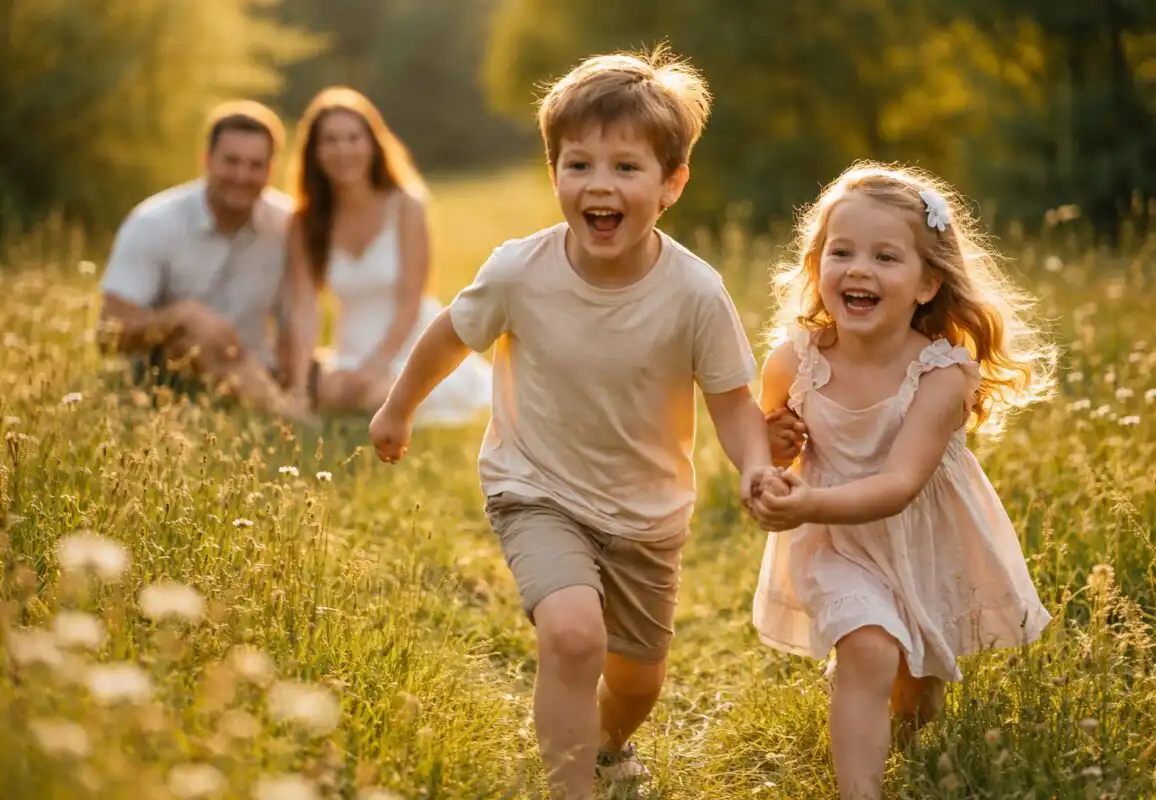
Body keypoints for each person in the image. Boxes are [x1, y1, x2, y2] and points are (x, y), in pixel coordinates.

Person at [369, 48, 781, 800]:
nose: (599, 185)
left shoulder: (694, 292)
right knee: (571, 635)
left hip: (647, 517)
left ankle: (603, 740)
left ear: (671, 184)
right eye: (578, 164)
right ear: (553, 171)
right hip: (537, 488)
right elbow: (448, 335)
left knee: (636, 684)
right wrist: (399, 407)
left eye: (627, 167)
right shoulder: (520, 271)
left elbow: (732, 404)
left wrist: (756, 465)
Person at [748, 162, 1057, 800]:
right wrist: (774, 457)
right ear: (817, 267)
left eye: (886, 256)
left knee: (917, 685)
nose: (859, 269)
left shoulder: (943, 375)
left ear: (927, 283)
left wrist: (808, 500)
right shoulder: (794, 361)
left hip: (921, 539)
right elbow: (766, 441)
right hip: (835, 542)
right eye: (842, 252)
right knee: (869, 649)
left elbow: (899, 483)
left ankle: (907, 746)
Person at [280, 86, 491, 423]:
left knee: (381, 397)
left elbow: (412, 300)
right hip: (350, 353)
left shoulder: (406, 204)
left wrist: (377, 365)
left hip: (409, 345)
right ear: (314, 152)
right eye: (330, 141)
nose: (343, 150)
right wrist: (301, 385)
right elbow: (304, 308)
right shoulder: (304, 222)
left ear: (372, 144)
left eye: (353, 138)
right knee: (333, 393)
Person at [96, 100, 310, 420]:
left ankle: (287, 404)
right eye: (231, 161)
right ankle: (291, 420)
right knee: (192, 339)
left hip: (260, 368)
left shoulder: (288, 226)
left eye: (256, 165)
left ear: (271, 170)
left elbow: (298, 313)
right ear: (206, 159)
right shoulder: (153, 222)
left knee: (351, 383)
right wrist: (181, 316)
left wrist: (298, 382)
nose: (242, 175)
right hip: (166, 376)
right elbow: (108, 335)